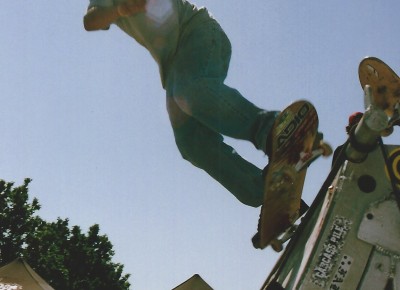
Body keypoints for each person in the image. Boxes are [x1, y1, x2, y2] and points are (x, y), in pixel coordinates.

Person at [83, 0, 280, 207]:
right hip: (175, 68)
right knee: (190, 142)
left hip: (198, 31)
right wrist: (122, 9)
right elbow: (90, 21)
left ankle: (273, 130)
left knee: (190, 89)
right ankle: (267, 193)